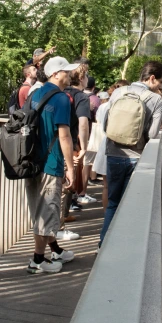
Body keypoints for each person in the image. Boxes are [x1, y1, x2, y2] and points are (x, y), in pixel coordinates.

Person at [100, 62, 162, 244]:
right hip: (136, 158)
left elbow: (106, 124)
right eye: (161, 82)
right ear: (152, 78)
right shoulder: (155, 100)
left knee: (113, 203)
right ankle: (121, 245)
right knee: (129, 206)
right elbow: (152, 134)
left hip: (113, 153)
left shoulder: (119, 92)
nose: (161, 87)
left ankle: (103, 243)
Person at [24, 57, 78, 273]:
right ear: (56, 74)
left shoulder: (34, 93)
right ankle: (37, 261)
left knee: (40, 210)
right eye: (66, 71)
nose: (70, 74)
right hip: (50, 162)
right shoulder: (62, 99)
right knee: (47, 211)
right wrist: (71, 168)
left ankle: (55, 249)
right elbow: (64, 137)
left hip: (29, 161)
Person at [61, 63, 93, 226]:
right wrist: (84, 146)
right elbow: (83, 124)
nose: (87, 79)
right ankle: (61, 220)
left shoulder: (61, 93)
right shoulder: (81, 97)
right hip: (70, 143)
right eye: (86, 76)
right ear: (81, 78)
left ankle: (60, 217)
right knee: (68, 181)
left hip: (53, 144)